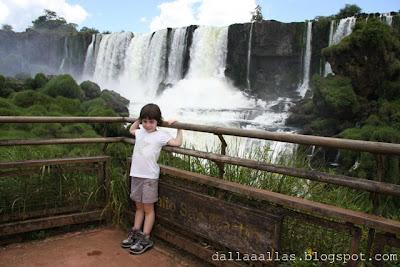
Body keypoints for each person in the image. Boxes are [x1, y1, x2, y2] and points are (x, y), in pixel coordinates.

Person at [121, 103, 183, 255]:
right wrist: (139, 119)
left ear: (157, 122)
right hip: (136, 174)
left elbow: (177, 143)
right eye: (145, 121)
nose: (148, 125)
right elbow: (131, 129)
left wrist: (179, 127)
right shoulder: (140, 131)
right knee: (139, 207)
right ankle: (136, 232)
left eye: (152, 121)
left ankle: (145, 238)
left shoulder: (161, 135)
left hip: (149, 177)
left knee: (148, 208)